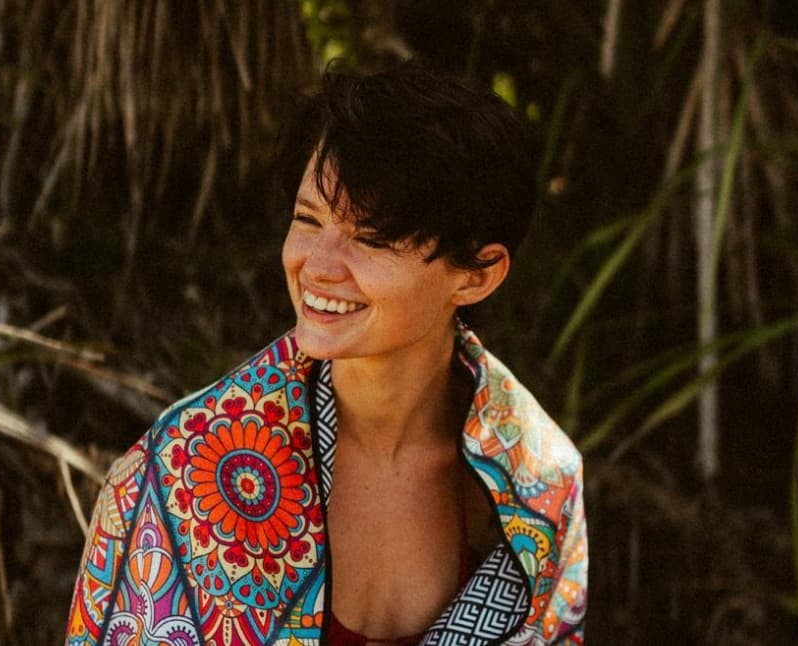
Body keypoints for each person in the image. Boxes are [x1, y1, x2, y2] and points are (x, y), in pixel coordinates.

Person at [66, 62, 587, 646]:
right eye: (308, 220)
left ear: (477, 275)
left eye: (371, 238)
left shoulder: (542, 486)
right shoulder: (180, 472)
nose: (316, 265)